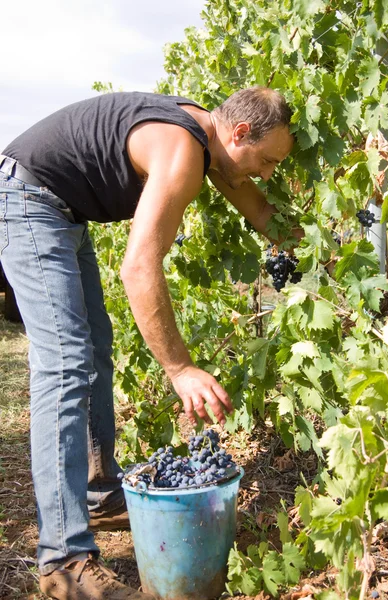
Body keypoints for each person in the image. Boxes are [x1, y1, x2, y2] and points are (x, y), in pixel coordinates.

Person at [0, 87, 295, 599]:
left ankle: (97, 496)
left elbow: (260, 212)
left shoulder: (211, 139)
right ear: (239, 133)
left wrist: (324, 254)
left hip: (62, 211)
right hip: (26, 197)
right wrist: (180, 369)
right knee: (66, 362)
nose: (267, 173)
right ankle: (62, 563)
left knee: (94, 349)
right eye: (267, 161)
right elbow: (137, 267)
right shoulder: (183, 149)